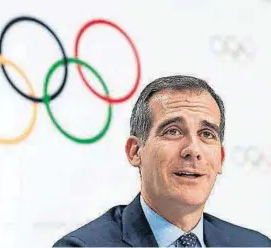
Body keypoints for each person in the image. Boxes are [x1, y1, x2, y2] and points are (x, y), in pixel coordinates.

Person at [53, 75, 271, 247]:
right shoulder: (82, 246)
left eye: (206, 134)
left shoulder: (256, 245)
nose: (193, 150)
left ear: (221, 158)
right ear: (135, 151)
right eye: (173, 131)